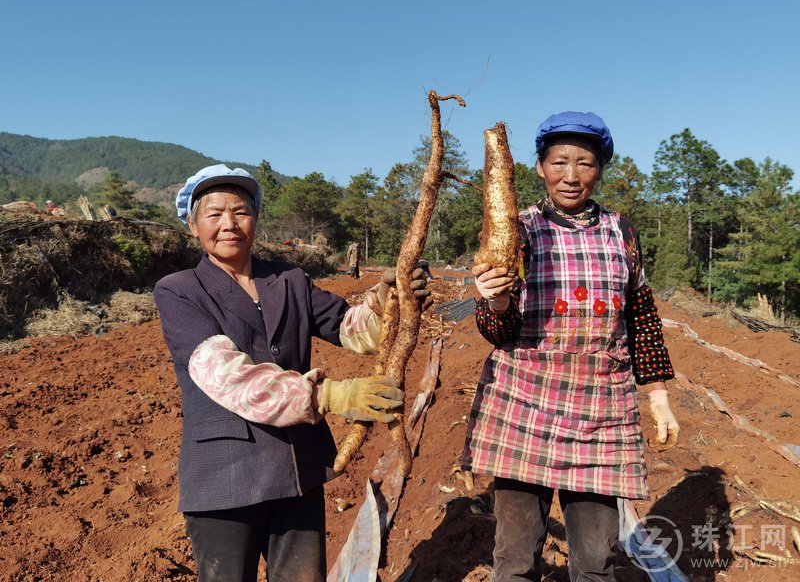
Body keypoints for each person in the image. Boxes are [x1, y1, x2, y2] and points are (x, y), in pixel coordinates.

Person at [153, 164, 431, 582]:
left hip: (296, 472)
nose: (229, 223)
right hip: (225, 478)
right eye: (214, 214)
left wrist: (390, 302)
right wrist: (328, 396)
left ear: (256, 218)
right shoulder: (179, 290)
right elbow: (224, 374)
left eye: (241, 211)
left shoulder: (288, 278)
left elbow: (352, 330)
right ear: (193, 226)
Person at [462, 112, 680, 582]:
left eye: (585, 163)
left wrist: (659, 397)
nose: (572, 175)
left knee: (597, 560)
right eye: (560, 162)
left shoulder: (622, 232)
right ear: (540, 167)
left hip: (600, 410)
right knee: (515, 558)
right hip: (525, 404)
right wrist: (496, 300)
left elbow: (641, 314)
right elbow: (497, 332)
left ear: (600, 169)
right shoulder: (516, 231)